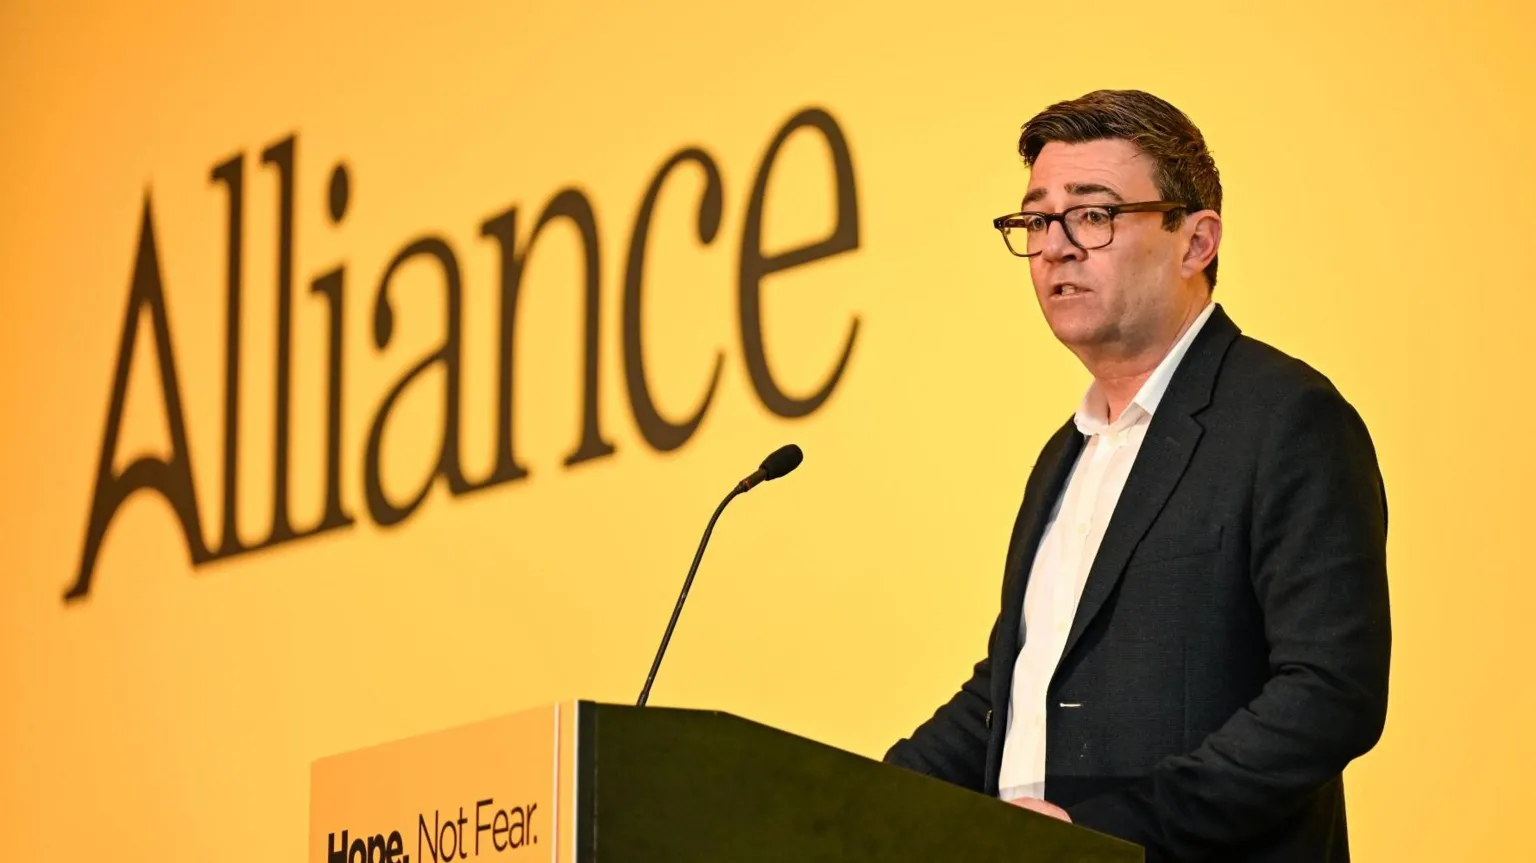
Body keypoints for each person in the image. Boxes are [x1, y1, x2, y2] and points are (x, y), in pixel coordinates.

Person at [883, 89, 1391, 862]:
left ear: (1196, 242)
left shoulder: (1285, 418)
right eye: (1037, 220)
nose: (1055, 246)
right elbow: (1017, 684)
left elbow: (1329, 693)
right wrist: (855, 799)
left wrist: (1112, 836)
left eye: (1093, 214)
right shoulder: (1067, 453)